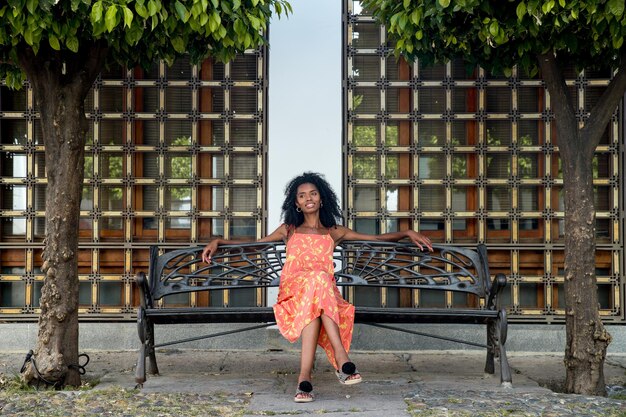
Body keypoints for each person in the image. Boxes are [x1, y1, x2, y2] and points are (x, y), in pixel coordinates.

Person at [202, 172, 433, 403]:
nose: (308, 198)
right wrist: (219, 241)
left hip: (321, 296)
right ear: (297, 203)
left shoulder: (334, 232)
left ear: (322, 198)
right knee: (317, 280)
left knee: (317, 293)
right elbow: (255, 245)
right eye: (302, 196)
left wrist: (405, 232)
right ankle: (342, 360)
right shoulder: (289, 230)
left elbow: (376, 238)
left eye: (313, 193)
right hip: (294, 294)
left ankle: (305, 380)